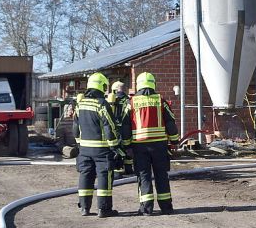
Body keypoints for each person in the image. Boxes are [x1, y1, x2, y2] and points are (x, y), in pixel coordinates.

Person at [129, 72, 179, 215]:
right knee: (161, 175)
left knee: (143, 175)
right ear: (153, 84)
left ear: (138, 85)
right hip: (159, 146)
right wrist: (174, 140)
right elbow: (170, 122)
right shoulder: (160, 101)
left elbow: (126, 125)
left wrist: (126, 144)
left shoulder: (131, 102)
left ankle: (146, 209)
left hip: (139, 146)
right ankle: (166, 208)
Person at [74, 72, 120, 218]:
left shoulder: (80, 104)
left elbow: (75, 126)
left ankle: (84, 208)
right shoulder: (102, 104)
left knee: (85, 176)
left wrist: (79, 143)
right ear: (102, 86)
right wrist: (114, 146)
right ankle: (104, 209)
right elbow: (109, 127)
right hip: (101, 150)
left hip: (84, 149)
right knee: (104, 177)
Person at [107, 81, 133, 178]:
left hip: (114, 129)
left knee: (115, 149)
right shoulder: (129, 100)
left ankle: (117, 171)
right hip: (127, 129)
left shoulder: (110, 100)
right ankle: (129, 169)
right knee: (127, 148)